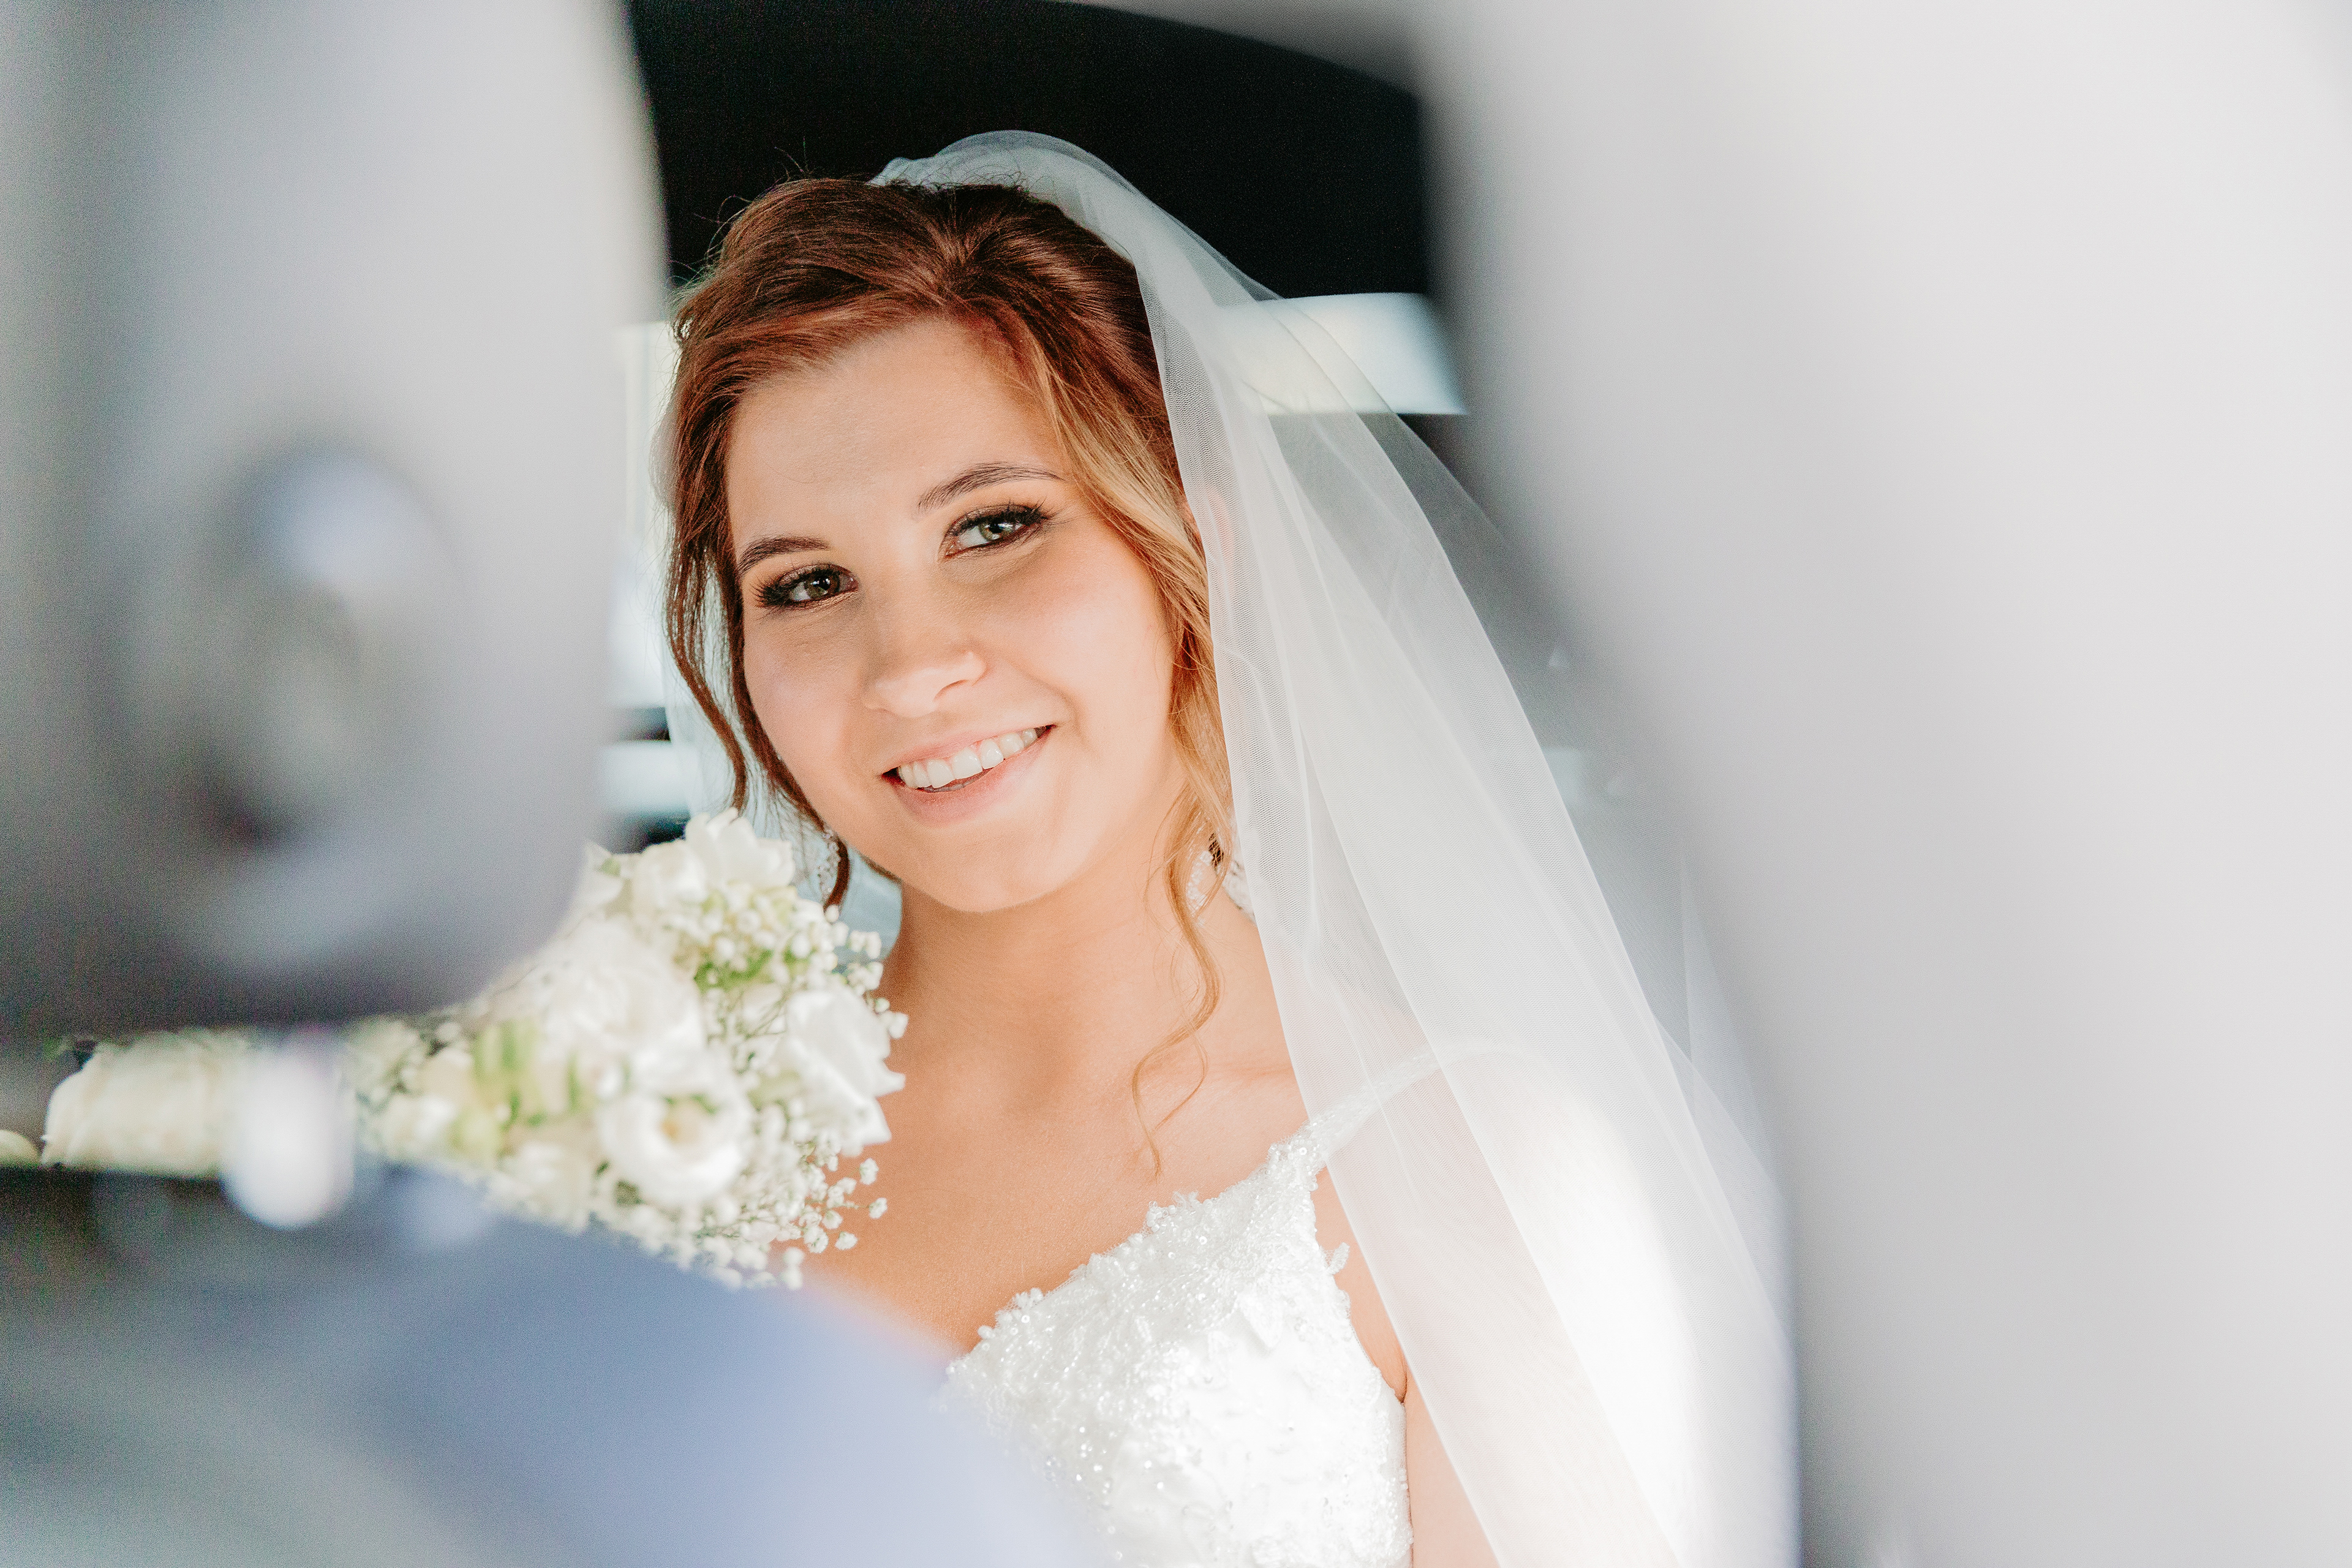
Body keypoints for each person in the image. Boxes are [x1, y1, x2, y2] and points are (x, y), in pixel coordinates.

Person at [662, 132, 1792, 1567]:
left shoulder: (1467, 1164)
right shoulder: (663, 1134)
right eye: (808, 581)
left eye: (995, 526)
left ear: (1190, 545)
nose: (912, 664)